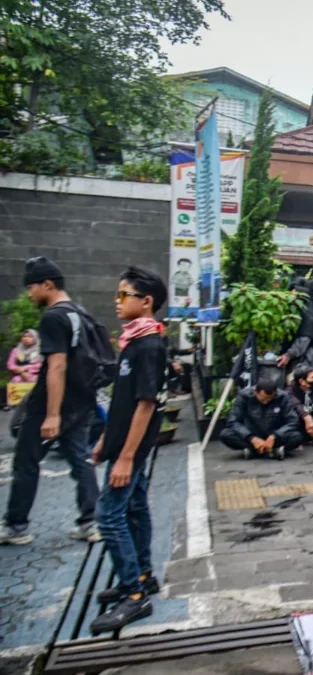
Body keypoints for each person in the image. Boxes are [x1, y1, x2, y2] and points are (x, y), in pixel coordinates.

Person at [88, 266, 168, 633]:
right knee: (135, 509)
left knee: (109, 515)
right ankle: (142, 575)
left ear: (145, 301)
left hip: (132, 450)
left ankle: (134, 595)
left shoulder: (149, 345)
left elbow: (146, 404)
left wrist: (125, 455)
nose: (117, 302)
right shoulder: (133, 342)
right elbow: (123, 402)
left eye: (123, 295)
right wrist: (108, 439)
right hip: (122, 444)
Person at [2, 257, 101, 546]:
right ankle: (90, 522)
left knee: (26, 461)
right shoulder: (79, 314)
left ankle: (16, 526)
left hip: (52, 404)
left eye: (31, 287)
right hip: (82, 402)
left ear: (47, 284)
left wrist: (52, 414)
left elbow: (57, 366)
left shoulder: (53, 317)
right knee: (80, 459)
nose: (29, 294)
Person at [220, 365, 303, 460]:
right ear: (255, 391)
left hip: (275, 434)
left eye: (269, 399)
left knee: (297, 436)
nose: (266, 402)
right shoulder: (244, 396)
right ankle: (264, 450)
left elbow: (293, 421)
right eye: (263, 399)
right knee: (226, 434)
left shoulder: (283, 397)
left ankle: (263, 450)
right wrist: (251, 438)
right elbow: (233, 420)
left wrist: (275, 436)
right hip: (251, 433)